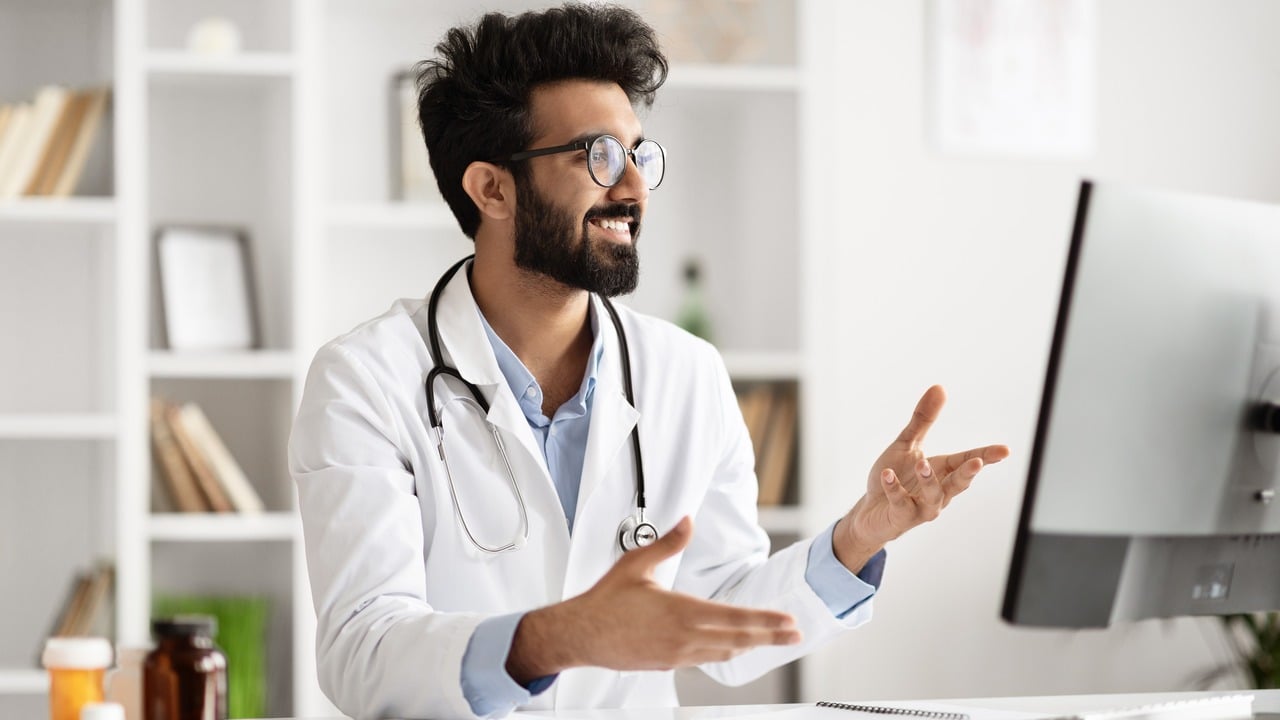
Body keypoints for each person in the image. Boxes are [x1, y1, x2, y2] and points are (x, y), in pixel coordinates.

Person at [288, 4, 1010, 720]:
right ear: (492, 188)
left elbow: (721, 619)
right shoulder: (367, 381)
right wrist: (558, 637)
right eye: (598, 155)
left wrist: (859, 539)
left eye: (639, 154)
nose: (633, 188)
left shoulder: (686, 373)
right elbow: (364, 652)